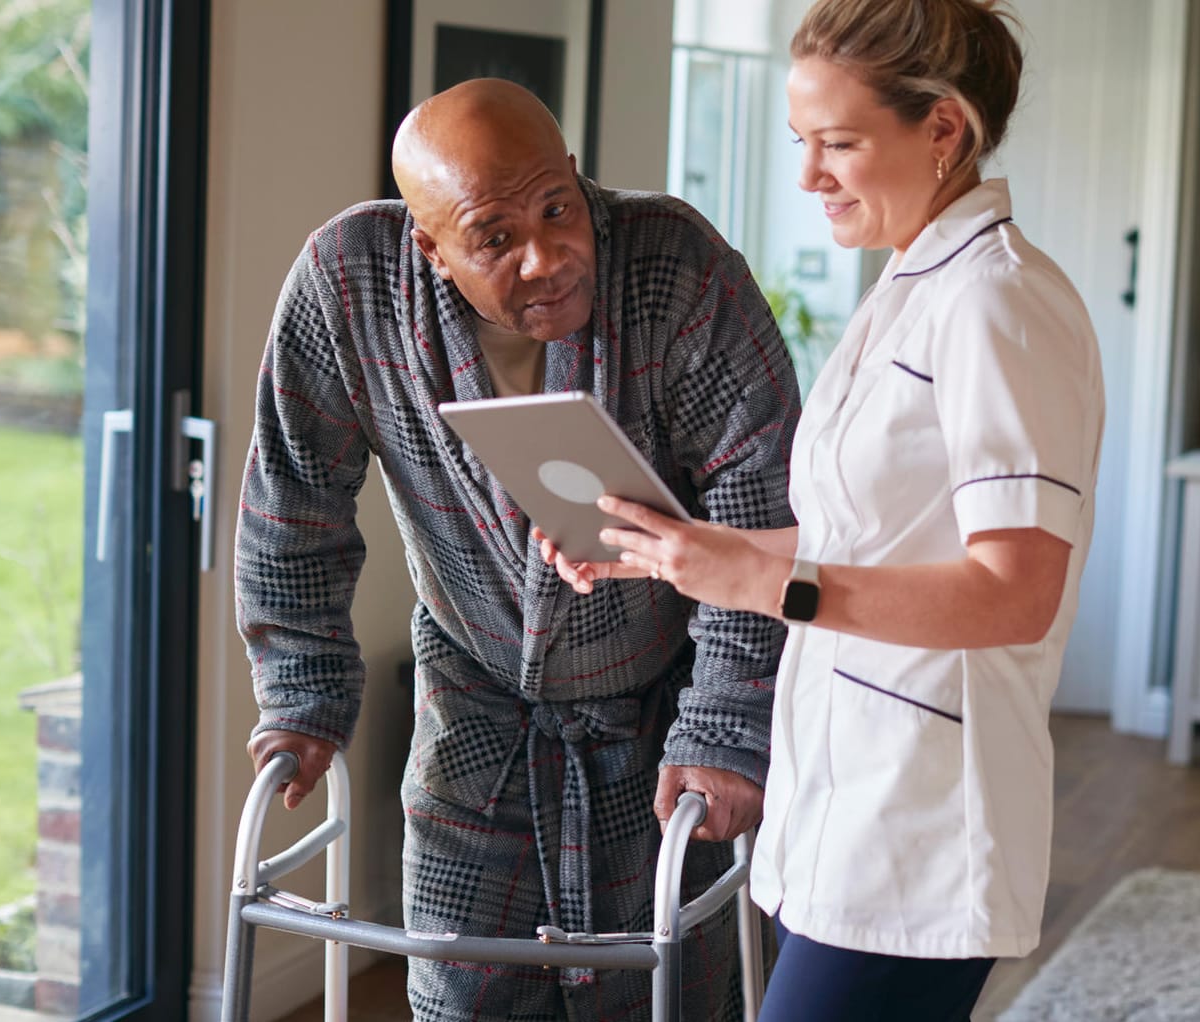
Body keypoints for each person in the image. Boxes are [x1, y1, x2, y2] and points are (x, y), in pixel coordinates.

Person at [542, 1, 1103, 1018]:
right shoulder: (907, 289)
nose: (809, 175)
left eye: (839, 143)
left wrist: (760, 580)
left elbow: (1017, 591)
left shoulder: (997, 304)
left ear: (943, 128)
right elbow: (870, 538)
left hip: (922, 820)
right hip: (844, 800)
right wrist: (681, 550)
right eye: (801, 142)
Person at [234, 79, 800, 1021]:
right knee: (460, 989)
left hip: (665, 707)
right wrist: (301, 694)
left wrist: (727, 727)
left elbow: (757, 505)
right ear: (430, 248)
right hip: (474, 698)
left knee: (671, 990)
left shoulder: (677, 266)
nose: (546, 256)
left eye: (558, 207)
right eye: (495, 238)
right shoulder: (349, 283)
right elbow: (294, 498)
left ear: (578, 178)